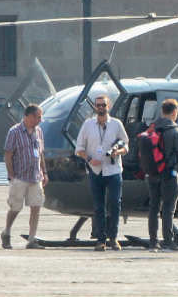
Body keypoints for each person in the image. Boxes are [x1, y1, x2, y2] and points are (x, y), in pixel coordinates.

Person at [75, 94, 129, 251]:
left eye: (103, 105)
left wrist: (117, 152)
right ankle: (101, 239)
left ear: (108, 106)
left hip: (113, 170)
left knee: (115, 203)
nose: (101, 108)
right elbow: (79, 148)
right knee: (99, 206)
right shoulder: (88, 125)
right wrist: (89, 159)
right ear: (95, 107)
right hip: (95, 170)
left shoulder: (116, 124)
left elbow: (126, 144)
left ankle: (113, 238)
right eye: (98, 105)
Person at [143, 98, 178, 251]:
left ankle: (153, 241)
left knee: (154, 208)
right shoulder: (176, 131)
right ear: (175, 112)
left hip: (152, 174)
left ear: (162, 111)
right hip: (170, 174)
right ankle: (168, 241)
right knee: (168, 209)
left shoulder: (151, 129)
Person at [1, 104, 48, 250]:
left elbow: (40, 153)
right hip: (20, 176)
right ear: (28, 116)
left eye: (40, 117)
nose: (40, 120)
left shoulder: (38, 131)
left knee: (36, 207)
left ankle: (32, 239)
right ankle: (6, 232)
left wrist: (44, 172)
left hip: (36, 177)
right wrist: (11, 175)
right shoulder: (14, 132)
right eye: (37, 117)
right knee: (15, 207)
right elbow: (8, 154)